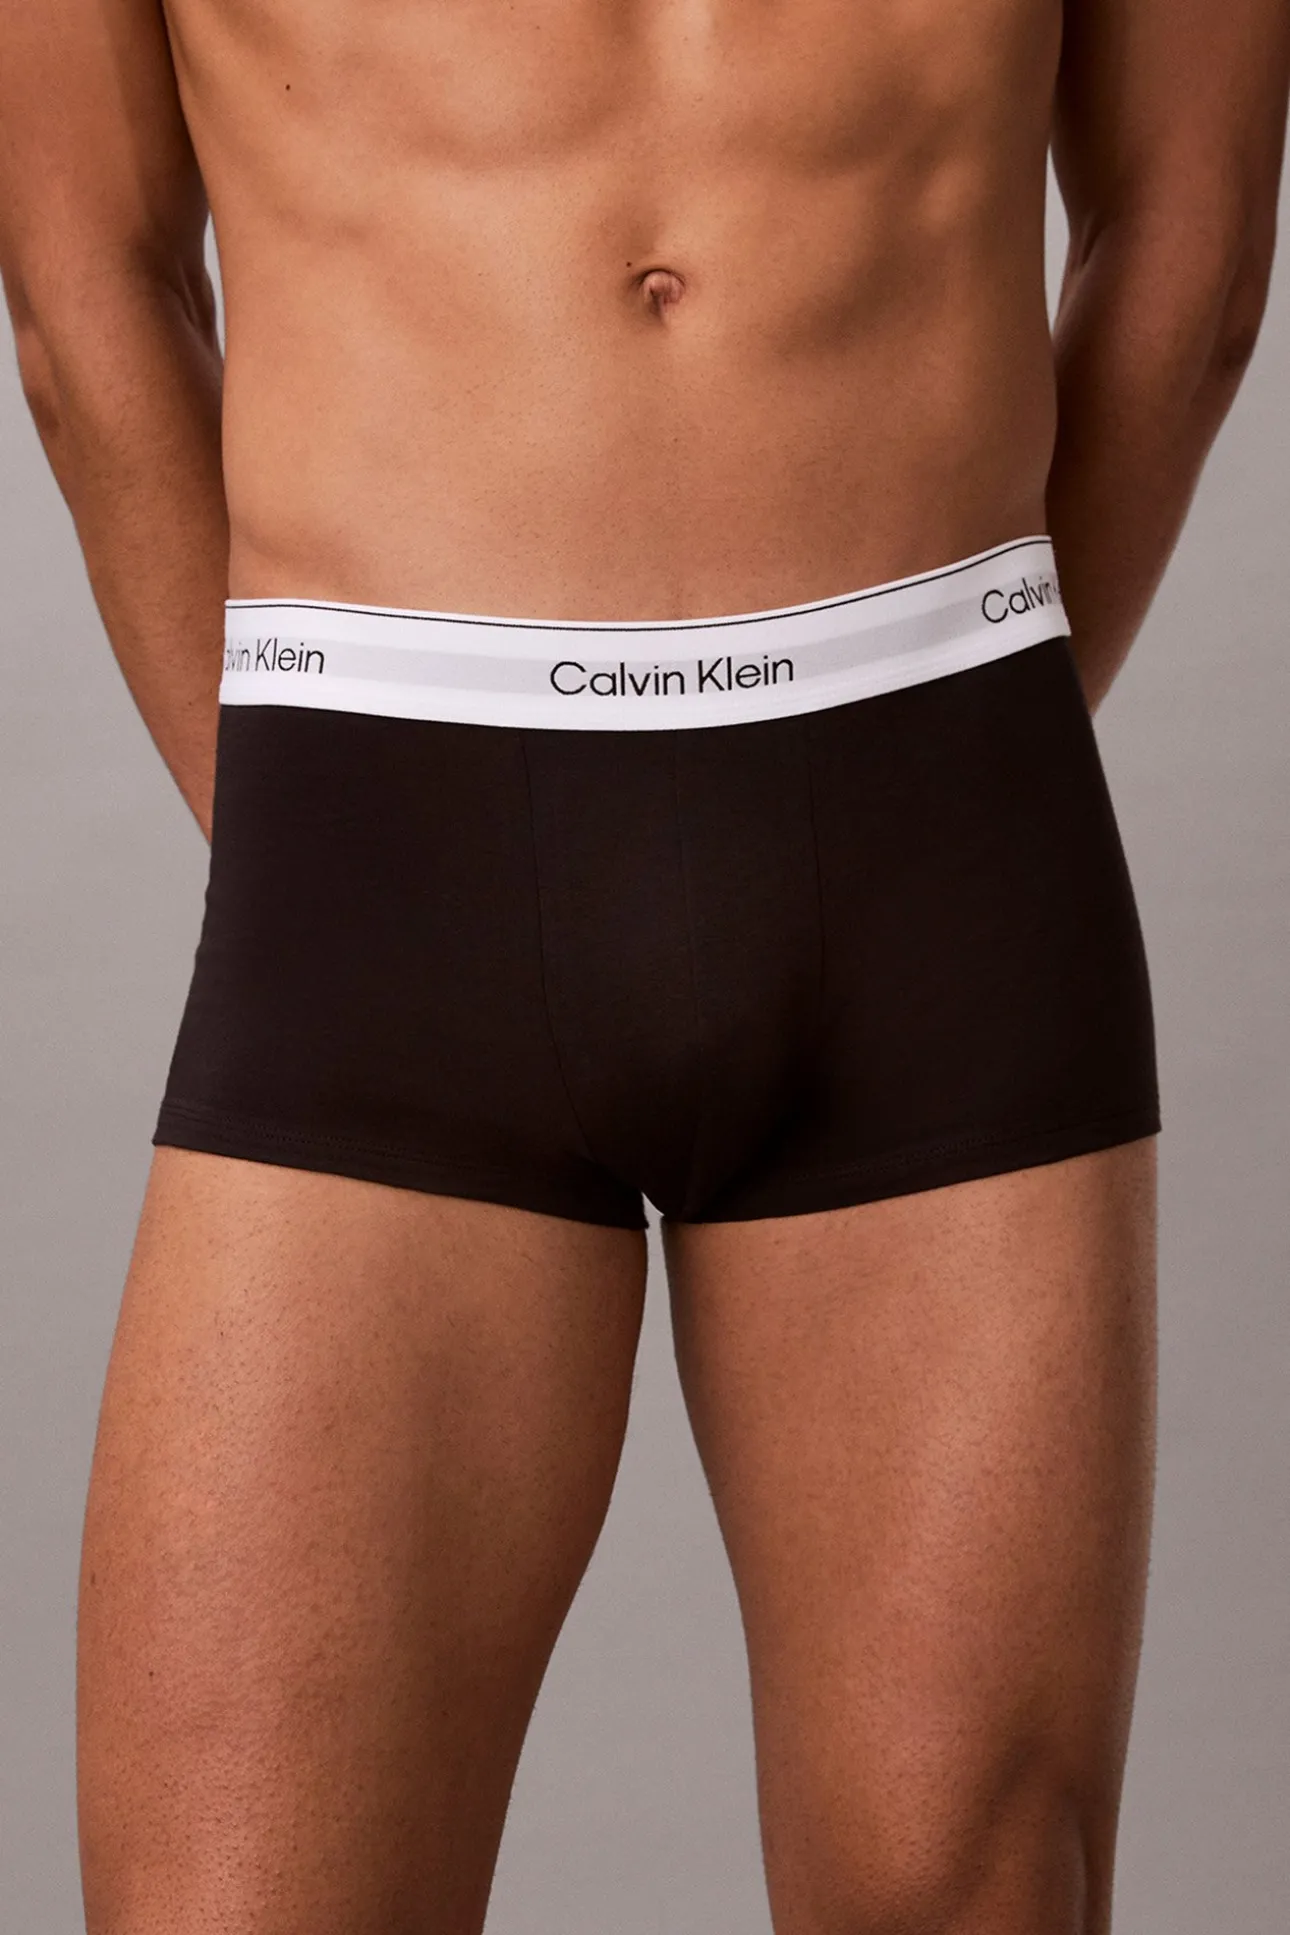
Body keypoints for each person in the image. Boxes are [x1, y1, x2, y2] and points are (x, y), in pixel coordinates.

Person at [1, 0, 1286, 1927]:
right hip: (407, 837)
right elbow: (81, 271)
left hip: (919, 834)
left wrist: (933, 770)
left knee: (972, 1892)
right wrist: (329, 851)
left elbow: (1190, 240)